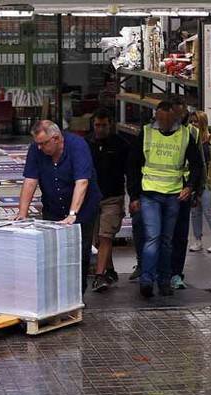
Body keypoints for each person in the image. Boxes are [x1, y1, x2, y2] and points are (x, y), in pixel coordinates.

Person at [127, 101, 203, 298]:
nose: (164, 123)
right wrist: (134, 195)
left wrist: (190, 187)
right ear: (156, 116)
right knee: (153, 237)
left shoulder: (185, 134)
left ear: (174, 118)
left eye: (168, 120)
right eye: (160, 119)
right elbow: (133, 165)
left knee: (166, 240)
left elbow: (197, 164)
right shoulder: (146, 133)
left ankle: (164, 281)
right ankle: (147, 280)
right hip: (150, 193)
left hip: (173, 195)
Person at [17, 120, 102, 294]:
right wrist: (22, 213)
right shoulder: (36, 149)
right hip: (53, 206)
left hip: (83, 208)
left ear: (56, 138)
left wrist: (72, 214)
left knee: (80, 250)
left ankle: (77, 294)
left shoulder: (77, 146)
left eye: (43, 143)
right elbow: (30, 181)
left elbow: (82, 181)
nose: (39, 148)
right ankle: (56, 294)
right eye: (37, 144)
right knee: (52, 250)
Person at [85, 108, 131, 292]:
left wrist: (134, 195)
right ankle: (109, 269)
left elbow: (130, 170)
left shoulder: (121, 145)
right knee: (99, 240)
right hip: (93, 198)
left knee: (105, 236)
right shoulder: (86, 144)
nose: (100, 129)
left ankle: (100, 275)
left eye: (104, 125)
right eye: (97, 125)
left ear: (110, 125)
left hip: (113, 197)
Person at [169, 96, 204, 289]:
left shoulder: (191, 133)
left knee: (180, 235)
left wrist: (195, 188)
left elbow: (199, 164)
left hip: (182, 190)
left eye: (182, 113)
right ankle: (160, 271)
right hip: (158, 191)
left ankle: (175, 273)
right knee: (161, 235)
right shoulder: (153, 132)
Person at [188, 110, 211, 253]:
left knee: (208, 210)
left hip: (208, 180)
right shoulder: (190, 138)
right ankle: (197, 239)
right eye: (192, 121)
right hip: (194, 179)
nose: (193, 124)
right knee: (195, 211)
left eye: (196, 121)